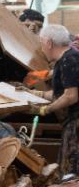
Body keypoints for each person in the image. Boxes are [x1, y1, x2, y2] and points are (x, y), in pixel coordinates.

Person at [33, 25, 79, 176]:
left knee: (71, 173)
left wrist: (47, 109)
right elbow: (60, 93)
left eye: (41, 43)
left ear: (49, 43)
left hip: (76, 124)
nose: (42, 49)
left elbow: (71, 96)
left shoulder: (69, 60)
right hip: (71, 123)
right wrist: (36, 94)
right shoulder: (66, 59)